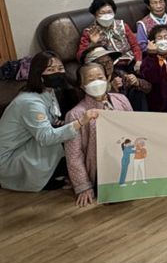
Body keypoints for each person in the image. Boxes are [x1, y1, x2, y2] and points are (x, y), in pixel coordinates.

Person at [0, 52, 97, 192]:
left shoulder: (48, 91)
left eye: (60, 68)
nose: (57, 73)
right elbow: (46, 137)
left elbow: (52, 119)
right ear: (39, 74)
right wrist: (80, 122)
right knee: (71, 134)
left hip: (27, 143)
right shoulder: (30, 103)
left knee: (68, 131)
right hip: (8, 161)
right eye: (50, 70)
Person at [64, 62, 133, 207]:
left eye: (100, 77)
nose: (96, 82)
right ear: (82, 85)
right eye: (90, 80)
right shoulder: (75, 114)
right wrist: (83, 187)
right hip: (100, 169)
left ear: (107, 78)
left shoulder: (121, 100)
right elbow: (73, 154)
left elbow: (133, 129)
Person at [77, 0, 142, 71]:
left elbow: (135, 45)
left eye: (109, 12)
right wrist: (92, 44)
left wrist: (138, 61)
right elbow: (80, 57)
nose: (106, 16)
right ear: (95, 15)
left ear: (114, 12)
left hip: (131, 60)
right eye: (102, 13)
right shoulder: (89, 32)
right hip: (110, 67)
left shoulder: (123, 25)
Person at [81, 46, 151, 112]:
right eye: (102, 62)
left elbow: (148, 87)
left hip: (125, 111)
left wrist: (137, 82)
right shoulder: (88, 81)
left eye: (109, 60)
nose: (107, 64)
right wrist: (111, 88)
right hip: (98, 113)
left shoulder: (118, 74)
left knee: (137, 92)